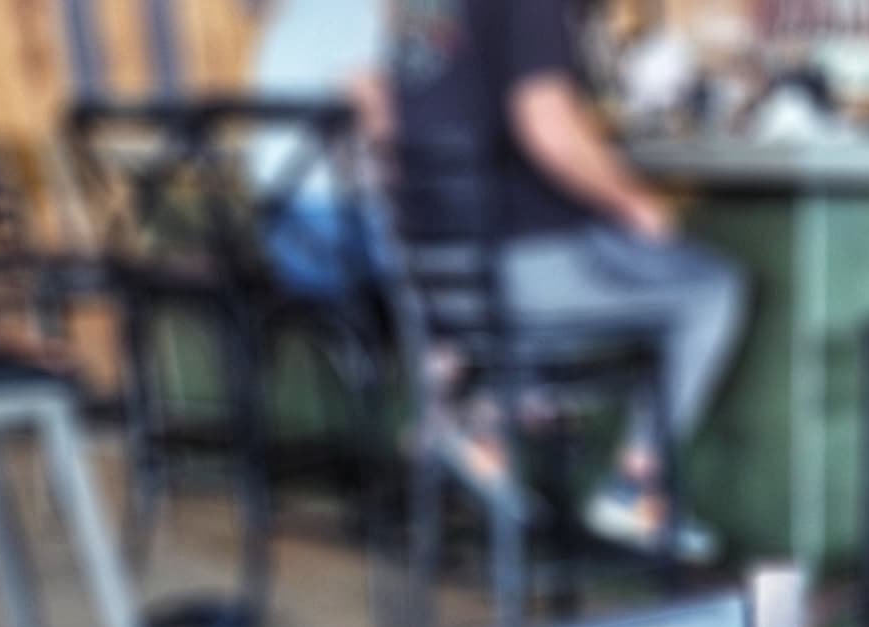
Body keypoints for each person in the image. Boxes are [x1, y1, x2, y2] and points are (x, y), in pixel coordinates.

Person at [389, 0, 744, 561]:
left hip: (438, 282)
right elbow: (547, 126)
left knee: (624, 268)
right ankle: (635, 488)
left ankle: (480, 416)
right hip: (523, 274)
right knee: (712, 289)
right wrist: (633, 201)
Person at [248, 0, 392, 297]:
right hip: (325, 228)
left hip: (279, 223)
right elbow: (379, 122)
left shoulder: (294, 11)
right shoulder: (357, 13)